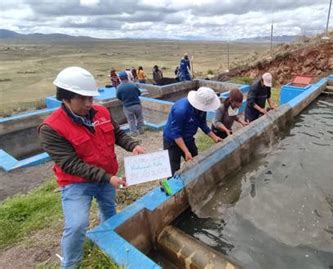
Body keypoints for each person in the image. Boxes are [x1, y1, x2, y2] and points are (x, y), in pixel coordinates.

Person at [38, 66, 145, 269]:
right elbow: (70, 164)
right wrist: (107, 177)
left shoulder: (101, 111)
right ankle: (71, 263)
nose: (89, 103)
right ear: (65, 98)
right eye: (82, 99)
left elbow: (117, 134)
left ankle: (108, 244)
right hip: (77, 184)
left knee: (109, 212)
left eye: (90, 97)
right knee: (77, 225)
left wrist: (133, 145)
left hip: (107, 177)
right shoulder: (51, 128)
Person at [163, 87, 223, 175]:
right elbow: (176, 134)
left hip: (188, 138)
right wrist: (186, 151)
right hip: (172, 140)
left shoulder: (202, 110)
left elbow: (202, 124)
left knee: (195, 160)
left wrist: (215, 137)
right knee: (173, 168)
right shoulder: (181, 110)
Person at [116, 71, 144, 136]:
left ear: (120, 78)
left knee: (131, 120)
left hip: (127, 106)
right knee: (139, 118)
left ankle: (134, 133)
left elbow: (118, 97)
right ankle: (141, 130)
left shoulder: (119, 87)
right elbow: (139, 93)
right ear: (127, 77)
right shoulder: (133, 84)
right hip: (137, 104)